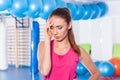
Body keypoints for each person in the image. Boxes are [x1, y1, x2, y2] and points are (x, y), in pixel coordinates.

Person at [37, 7, 100, 80]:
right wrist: (47, 39)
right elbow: (45, 71)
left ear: (69, 25)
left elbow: (96, 73)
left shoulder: (78, 50)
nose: (55, 32)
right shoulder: (43, 45)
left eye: (59, 27)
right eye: (52, 27)